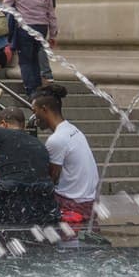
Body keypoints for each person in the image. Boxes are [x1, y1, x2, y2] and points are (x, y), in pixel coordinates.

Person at [33, 82, 100, 227]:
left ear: (44, 109)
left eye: (35, 111)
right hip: (89, 200)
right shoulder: (72, 129)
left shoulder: (57, 139)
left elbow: (50, 181)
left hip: (73, 204)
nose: (34, 117)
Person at [5, 0, 58, 97]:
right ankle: (37, 87)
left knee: (25, 60)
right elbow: (51, 14)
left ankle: (31, 90)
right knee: (34, 57)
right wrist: (53, 35)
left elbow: (6, 7)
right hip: (41, 28)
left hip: (25, 27)